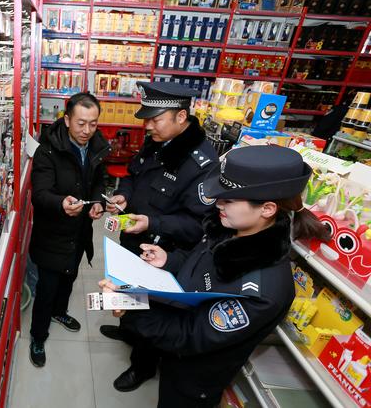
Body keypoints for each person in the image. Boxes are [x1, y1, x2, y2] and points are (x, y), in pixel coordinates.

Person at [99, 145, 329, 407]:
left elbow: (190, 335)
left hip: (192, 377)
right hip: (172, 348)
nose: (218, 204)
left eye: (229, 200)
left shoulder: (263, 290)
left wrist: (133, 307)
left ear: (267, 209)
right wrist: (169, 260)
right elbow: (200, 259)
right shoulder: (231, 228)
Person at [100, 81, 219, 340]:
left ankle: (141, 354)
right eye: (147, 119)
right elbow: (133, 175)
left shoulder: (201, 164)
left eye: (155, 120)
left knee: (151, 312)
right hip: (134, 236)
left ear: (181, 116)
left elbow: (197, 224)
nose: (148, 126)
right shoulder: (157, 141)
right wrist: (124, 195)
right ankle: (128, 329)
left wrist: (152, 223)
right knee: (128, 293)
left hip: (163, 251)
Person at [28, 92, 110, 367]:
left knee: (69, 278)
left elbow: (99, 180)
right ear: (66, 120)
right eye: (81, 123)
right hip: (52, 235)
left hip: (79, 232)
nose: (87, 130)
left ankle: (60, 312)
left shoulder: (97, 145)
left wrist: (97, 201)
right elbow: (39, 194)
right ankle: (38, 336)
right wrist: (61, 203)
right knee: (47, 288)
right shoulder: (48, 150)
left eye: (93, 124)